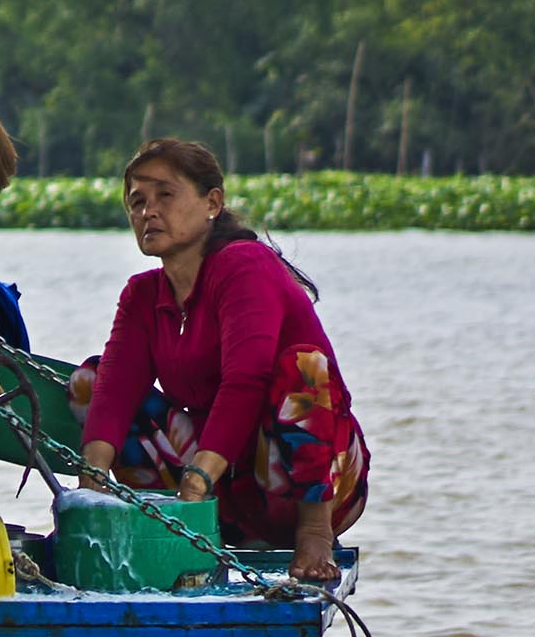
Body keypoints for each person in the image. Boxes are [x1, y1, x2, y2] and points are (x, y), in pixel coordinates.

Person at [73, 138, 367, 585]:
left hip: (310, 480)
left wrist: (197, 480)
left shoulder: (245, 266)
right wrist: (87, 495)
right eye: (137, 202)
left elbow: (245, 381)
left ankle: (313, 531)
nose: (148, 212)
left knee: (303, 368)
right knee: (88, 383)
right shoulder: (142, 295)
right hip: (229, 493)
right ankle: (188, 528)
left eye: (165, 196)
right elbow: (113, 394)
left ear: (212, 203)